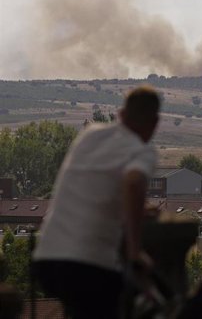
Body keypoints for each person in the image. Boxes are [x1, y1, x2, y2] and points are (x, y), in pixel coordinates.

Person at [33, 86, 161, 319]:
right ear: (154, 123)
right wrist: (134, 251)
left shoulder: (89, 135)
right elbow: (133, 183)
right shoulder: (141, 151)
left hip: (47, 260)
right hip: (89, 265)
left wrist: (134, 207)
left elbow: (99, 183)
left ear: (121, 114)